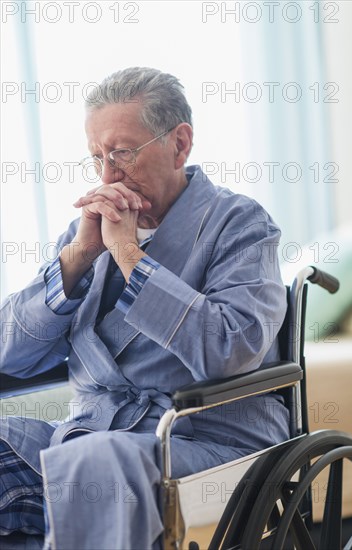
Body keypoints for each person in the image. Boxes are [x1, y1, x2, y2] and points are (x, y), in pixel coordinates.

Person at [0, 67, 289, 549]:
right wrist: (77, 259)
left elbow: (231, 349)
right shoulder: (84, 236)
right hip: (92, 434)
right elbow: (9, 354)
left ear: (180, 144)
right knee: (83, 454)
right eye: (98, 157)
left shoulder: (241, 225)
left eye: (123, 153)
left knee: (97, 461)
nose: (108, 176)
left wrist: (130, 258)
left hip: (204, 440)